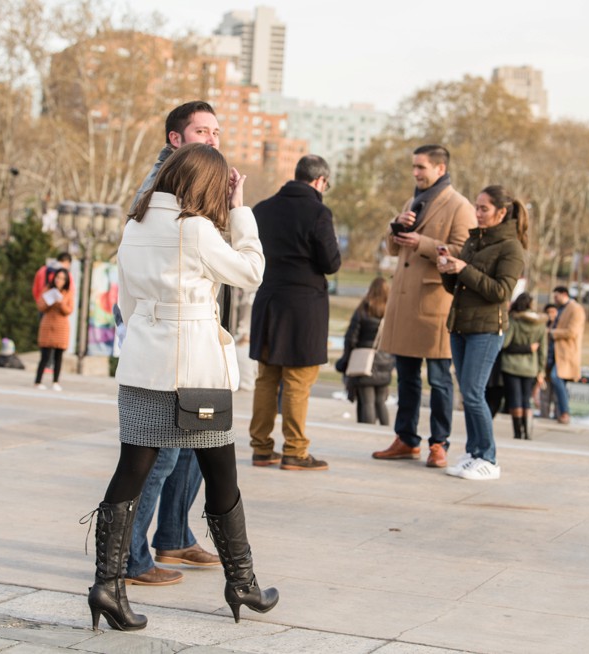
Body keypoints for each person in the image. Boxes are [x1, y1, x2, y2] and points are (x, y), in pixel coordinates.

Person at [84, 142, 274, 632]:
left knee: (130, 472)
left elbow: (126, 304)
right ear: (206, 186)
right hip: (196, 373)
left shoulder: (134, 225)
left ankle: (108, 584)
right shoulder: (196, 229)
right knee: (222, 476)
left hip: (145, 366)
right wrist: (240, 210)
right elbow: (251, 272)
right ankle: (242, 582)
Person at [123, 101, 225, 588]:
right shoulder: (162, 185)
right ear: (175, 139)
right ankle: (131, 558)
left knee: (190, 446)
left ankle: (174, 534)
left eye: (216, 131)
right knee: (161, 453)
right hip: (170, 345)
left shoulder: (202, 181)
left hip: (194, 341)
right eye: (201, 131)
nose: (212, 138)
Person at [372, 144, 476, 468]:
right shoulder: (411, 200)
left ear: (440, 168)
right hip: (404, 304)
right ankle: (405, 439)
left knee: (440, 379)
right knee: (405, 378)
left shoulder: (460, 206)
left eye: (421, 167)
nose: (416, 173)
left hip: (435, 304)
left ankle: (439, 443)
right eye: (414, 167)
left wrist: (424, 244)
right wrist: (395, 226)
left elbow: (464, 252)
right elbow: (391, 248)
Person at [248, 154, 341, 471]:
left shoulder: (262, 209)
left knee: (266, 379)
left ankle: (261, 448)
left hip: (269, 300)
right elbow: (331, 263)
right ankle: (295, 451)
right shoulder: (318, 211)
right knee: (298, 381)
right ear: (319, 181)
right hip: (303, 308)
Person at [438, 185, 527, 480]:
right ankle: (474, 453)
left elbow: (501, 292)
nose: (477, 213)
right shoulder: (474, 241)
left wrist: (463, 269)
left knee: (475, 393)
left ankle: (488, 458)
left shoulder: (511, 247)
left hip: (488, 329)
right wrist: (446, 269)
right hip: (462, 324)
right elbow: (457, 287)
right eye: (476, 207)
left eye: (483, 208)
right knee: (468, 393)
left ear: (501, 213)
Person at [338, 277, 393, 425]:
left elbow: (351, 337)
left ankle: (367, 429)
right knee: (381, 401)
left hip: (363, 360)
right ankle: (385, 430)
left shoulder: (364, 309)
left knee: (367, 401)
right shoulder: (391, 311)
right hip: (385, 360)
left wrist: (347, 356)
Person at [500, 292, 547, 440]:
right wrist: (541, 370)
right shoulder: (540, 324)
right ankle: (527, 433)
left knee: (515, 399)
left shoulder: (514, 320)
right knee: (526, 399)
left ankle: (517, 432)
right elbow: (543, 350)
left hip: (511, 365)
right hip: (531, 368)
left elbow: (505, 344)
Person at [546, 286, 586, 424]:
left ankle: (564, 412)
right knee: (556, 381)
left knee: (556, 377)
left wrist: (552, 333)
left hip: (567, 353)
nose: (555, 299)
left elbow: (572, 332)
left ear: (564, 294)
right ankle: (560, 412)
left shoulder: (575, 309)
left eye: (556, 296)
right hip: (556, 352)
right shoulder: (561, 309)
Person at [34, 268, 74, 390]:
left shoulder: (68, 293)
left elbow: (69, 310)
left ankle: (56, 381)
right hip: (47, 325)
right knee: (44, 355)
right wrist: (49, 302)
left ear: (66, 281)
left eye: (62, 278)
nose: (59, 280)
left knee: (58, 356)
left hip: (61, 327)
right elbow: (40, 306)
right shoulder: (48, 289)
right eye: (58, 277)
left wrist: (61, 302)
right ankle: (38, 381)